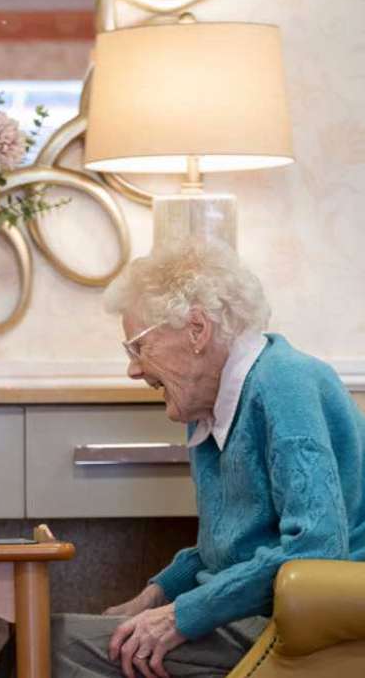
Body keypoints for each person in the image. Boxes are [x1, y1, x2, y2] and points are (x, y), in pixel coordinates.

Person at [53, 240, 365, 678]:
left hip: (311, 624)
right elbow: (230, 549)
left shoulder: (284, 382)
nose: (133, 369)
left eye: (137, 347)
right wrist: (159, 594)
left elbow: (316, 551)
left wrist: (183, 615)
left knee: (56, 644)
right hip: (266, 609)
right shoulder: (209, 407)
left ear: (196, 329)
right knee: (67, 633)